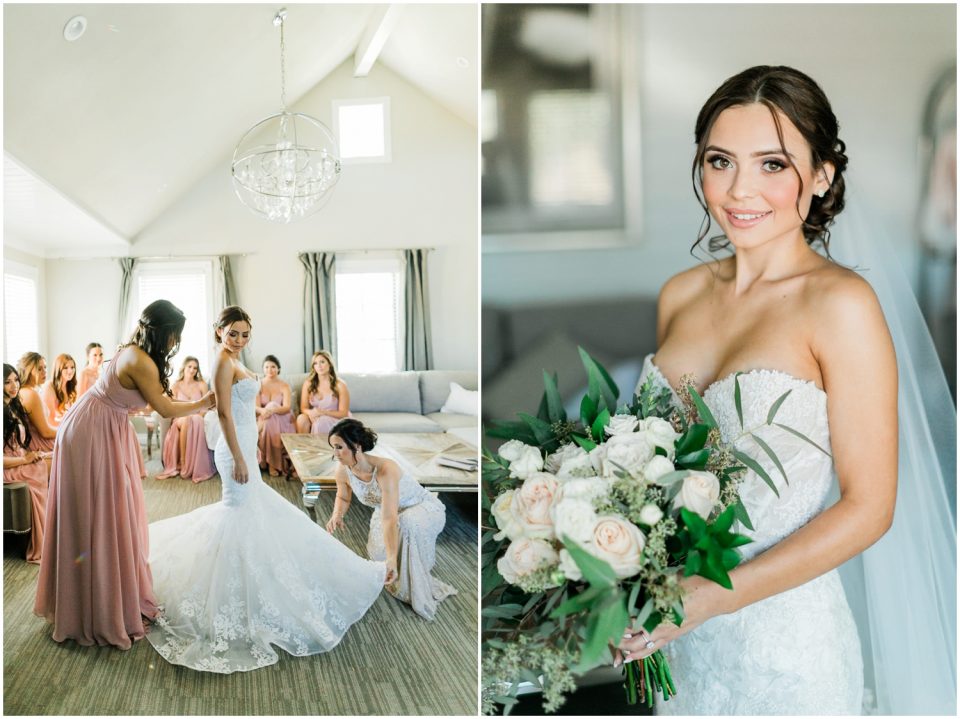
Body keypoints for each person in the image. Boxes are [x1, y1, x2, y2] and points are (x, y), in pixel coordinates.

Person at [614, 66, 899, 714]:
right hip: (677, 640)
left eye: (772, 164)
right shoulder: (680, 295)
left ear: (822, 174)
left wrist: (713, 595)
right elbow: (654, 470)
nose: (740, 190)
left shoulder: (842, 306)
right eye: (720, 161)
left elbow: (869, 506)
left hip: (787, 653)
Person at [146, 306, 385, 673]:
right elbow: (224, 413)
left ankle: (256, 577)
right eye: (233, 333)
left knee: (254, 512)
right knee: (239, 514)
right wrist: (240, 457)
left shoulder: (235, 359)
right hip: (233, 449)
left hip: (243, 440)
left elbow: (242, 412)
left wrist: (251, 441)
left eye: (245, 334)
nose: (239, 340)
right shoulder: (222, 363)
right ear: (219, 331)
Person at [34, 300, 215, 650]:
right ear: (164, 331)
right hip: (92, 431)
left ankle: (96, 597)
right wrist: (203, 403)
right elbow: (163, 409)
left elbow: (144, 401)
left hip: (102, 425)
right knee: (100, 512)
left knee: (109, 510)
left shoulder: (132, 351)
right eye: (175, 334)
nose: (176, 341)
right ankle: (95, 608)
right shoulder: (140, 359)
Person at [326, 418, 456, 620]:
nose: (335, 454)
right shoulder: (342, 469)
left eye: (339, 447)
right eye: (333, 447)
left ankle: (412, 579)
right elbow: (343, 496)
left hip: (420, 507)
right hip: (386, 511)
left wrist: (392, 559)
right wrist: (337, 514)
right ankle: (397, 564)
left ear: (357, 447)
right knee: (379, 557)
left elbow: (390, 519)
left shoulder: (386, 469)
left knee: (405, 527)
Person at [3, 364, 49, 564]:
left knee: (55, 458)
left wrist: (30, 454)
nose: (14, 386)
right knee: (48, 465)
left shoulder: (12, 406)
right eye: (7, 382)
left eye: (15, 380)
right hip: (9, 468)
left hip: (21, 459)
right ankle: (46, 537)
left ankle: (59, 527)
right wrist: (24, 459)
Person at [157, 356, 215, 482]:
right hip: (180, 418)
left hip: (198, 417)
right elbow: (168, 403)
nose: (192, 370)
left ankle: (191, 464)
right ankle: (183, 461)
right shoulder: (176, 385)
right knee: (187, 419)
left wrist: (199, 414)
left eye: (195, 368)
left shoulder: (202, 384)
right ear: (184, 367)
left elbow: (207, 406)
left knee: (194, 419)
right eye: (190, 366)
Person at [255, 354, 295, 477]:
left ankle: (271, 463)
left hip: (282, 417)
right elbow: (256, 407)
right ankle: (273, 463)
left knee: (272, 406)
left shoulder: (284, 386)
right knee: (268, 420)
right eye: (266, 367)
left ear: (278, 368)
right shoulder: (258, 384)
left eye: (273, 367)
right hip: (264, 417)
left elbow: (287, 407)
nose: (270, 370)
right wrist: (264, 411)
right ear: (263, 369)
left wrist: (272, 410)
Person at [295, 350, 350, 435]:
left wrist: (322, 413)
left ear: (330, 364)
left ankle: (319, 448)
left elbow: (343, 413)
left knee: (321, 422)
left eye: (322, 362)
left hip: (334, 418)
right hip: (316, 416)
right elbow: (303, 408)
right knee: (301, 419)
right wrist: (312, 413)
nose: (319, 366)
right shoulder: (308, 383)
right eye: (315, 363)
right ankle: (304, 447)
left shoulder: (340, 385)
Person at [15, 352, 57, 452]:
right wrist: (67, 429)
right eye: (39, 369)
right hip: (40, 445)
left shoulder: (25, 391)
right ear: (28, 371)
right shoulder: (31, 394)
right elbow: (46, 432)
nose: (44, 372)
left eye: (45, 367)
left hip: (37, 442)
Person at [40, 353, 78, 428]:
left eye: (72, 367)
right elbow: (50, 420)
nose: (70, 371)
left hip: (64, 425)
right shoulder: (49, 387)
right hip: (52, 428)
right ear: (58, 369)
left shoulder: (71, 386)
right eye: (66, 368)